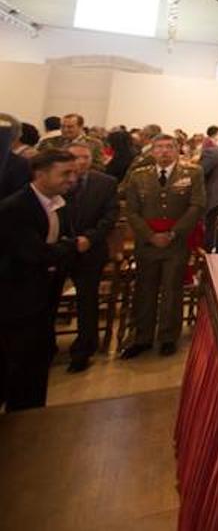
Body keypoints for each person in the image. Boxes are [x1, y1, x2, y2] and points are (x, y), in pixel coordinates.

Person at [0, 147, 78, 410]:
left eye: (74, 173)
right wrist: (69, 247)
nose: (72, 179)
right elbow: (35, 253)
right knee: (15, 365)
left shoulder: (59, 203)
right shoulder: (16, 207)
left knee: (35, 365)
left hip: (43, 300)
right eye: (65, 173)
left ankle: (29, 420)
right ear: (40, 174)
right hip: (16, 303)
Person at [120, 134, 204, 359]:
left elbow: (197, 205)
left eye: (169, 147)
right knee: (144, 290)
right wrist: (149, 235)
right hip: (147, 243)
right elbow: (131, 210)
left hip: (176, 242)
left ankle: (168, 337)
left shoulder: (193, 173)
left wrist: (173, 233)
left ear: (178, 150)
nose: (164, 151)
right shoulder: (139, 176)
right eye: (159, 147)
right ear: (152, 151)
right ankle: (141, 337)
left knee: (171, 291)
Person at [55, 141, 118, 373]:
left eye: (86, 157)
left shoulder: (105, 183)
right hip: (58, 249)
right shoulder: (57, 181)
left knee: (87, 301)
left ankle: (83, 350)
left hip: (90, 249)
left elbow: (110, 215)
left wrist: (89, 238)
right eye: (76, 157)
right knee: (49, 299)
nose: (81, 162)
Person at [37, 113, 106, 170]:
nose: (65, 130)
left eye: (70, 127)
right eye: (62, 126)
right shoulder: (48, 142)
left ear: (81, 127)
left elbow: (99, 167)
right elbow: (38, 161)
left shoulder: (94, 144)